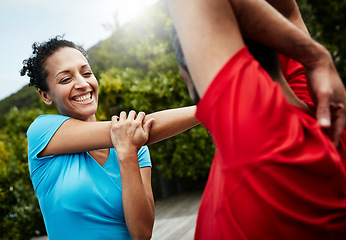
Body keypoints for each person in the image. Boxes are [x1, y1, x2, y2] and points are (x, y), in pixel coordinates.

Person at [168, 0, 346, 239]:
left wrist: (316, 55)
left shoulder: (263, 140)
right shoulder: (323, 115)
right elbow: (290, 13)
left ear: (192, 79)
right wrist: (317, 57)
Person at [20, 36, 199, 240]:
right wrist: (210, 107)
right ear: (45, 95)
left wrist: (127, 155)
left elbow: (142, 234)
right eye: (66, 79)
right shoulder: (41, 133)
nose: (82, 83)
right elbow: (140, 129)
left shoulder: (137, 147)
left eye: (86, 73)